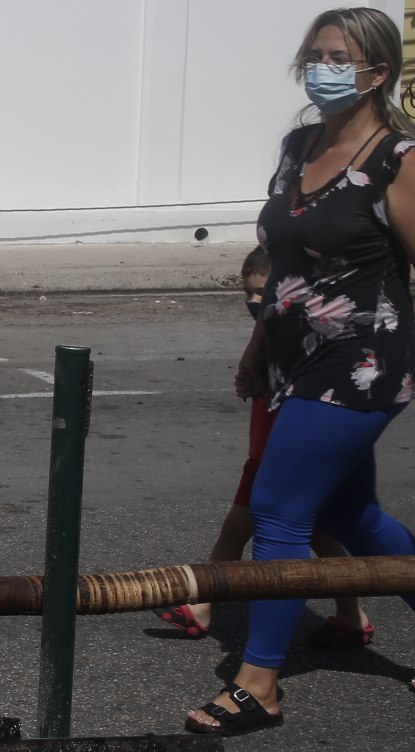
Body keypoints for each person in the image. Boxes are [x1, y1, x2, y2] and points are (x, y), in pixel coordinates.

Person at [185, 6, 415, 736]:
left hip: (362, 363)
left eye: (339, 59)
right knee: (351, 516)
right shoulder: (299, 145)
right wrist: (259, 346)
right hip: (296, 359)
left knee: (279, 510)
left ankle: (258, 683)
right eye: (316, 55)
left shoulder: (400, 160)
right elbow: (285, 265)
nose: (322, 69)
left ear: (377, 72)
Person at [152, 246, 368, 643]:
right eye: (247, 293)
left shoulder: (302, 335)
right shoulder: (272, 333)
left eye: (261, 293)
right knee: (317, 536)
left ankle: (204, 607)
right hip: (266, 452)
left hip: (281, 457)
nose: (253, 301)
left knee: (238, 531)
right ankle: (352, 616)